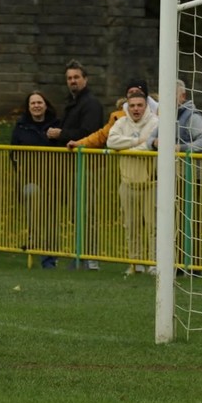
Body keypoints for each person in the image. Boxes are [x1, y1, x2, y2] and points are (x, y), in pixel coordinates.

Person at [45, 60, 105, 269]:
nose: (72, 81)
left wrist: (62, 134)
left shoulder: (91, 104)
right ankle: (80, 253)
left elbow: (89, 133)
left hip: (88, 166)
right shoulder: (72, 103)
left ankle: (90, 258)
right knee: (76, 212)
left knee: (87, 212)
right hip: (73, 167)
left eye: (76, 77)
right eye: (69, 78)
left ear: (85, 79)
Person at [107, 88, 159, 275]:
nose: (136, 109)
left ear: (146, 106)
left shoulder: (155, 122)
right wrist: (136, 141)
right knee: (131, 225)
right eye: (133, 106)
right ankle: (135, 263)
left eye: (140, 105)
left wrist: (129, 146)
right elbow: (111, 142)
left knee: (154, 226)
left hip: (151, 183)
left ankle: (154, 263)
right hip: (127, 182)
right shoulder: (121, 122)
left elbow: (148, 146)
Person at [11, 90, 62, 267]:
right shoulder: (21, 126)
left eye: (39, 102)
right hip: (30, 180)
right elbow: (13, 153)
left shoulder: (56, 125)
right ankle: (36, 243)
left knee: (50, 219)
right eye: (33, 103)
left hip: (52, 180)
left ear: (46, 105)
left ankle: (50, 258)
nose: (36, 106)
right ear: (28, 107)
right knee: (36, 203)